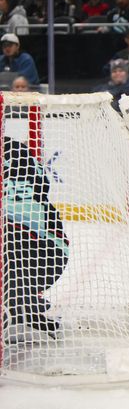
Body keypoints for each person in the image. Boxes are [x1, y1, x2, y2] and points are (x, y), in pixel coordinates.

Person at [2, 136, 69, 339]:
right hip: (50, 260)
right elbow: (43, 187)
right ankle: (24, 302)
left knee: (11, 239)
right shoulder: (25, 158)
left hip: (28, 256)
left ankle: (20, 305)